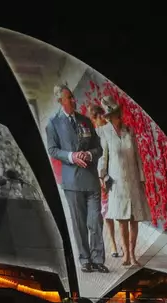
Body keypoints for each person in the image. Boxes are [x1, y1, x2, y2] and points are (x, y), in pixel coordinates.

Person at [46, 84, 108, 273]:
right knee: (79, 222)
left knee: (95, 220)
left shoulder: (85, 121)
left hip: (91, 179)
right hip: (72, 181)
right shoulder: (53, 123)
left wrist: (89, 155)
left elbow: (99, 148)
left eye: (73, 97)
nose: (74, 100)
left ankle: (98, 259)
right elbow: (53, 150)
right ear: (60, 101)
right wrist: (72, 156)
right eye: (69, 98)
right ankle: (85, 259)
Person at [97, 96, 151, 266]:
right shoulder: (104, 132)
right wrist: (102, 176)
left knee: (135, 219)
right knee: (122, 220)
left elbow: (138, 158)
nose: (119, 115)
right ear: (109, 116)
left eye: (118, 111)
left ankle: (133, 254)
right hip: (117, 183)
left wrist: (142, 178)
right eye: (115, 113)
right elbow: (103, 157)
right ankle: (126, 254)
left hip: (134, 180)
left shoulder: (129, 131)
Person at [87, 103, 120, 258]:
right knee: (107, 212)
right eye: (97, 117)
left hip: (116, 173)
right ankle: (113, 244)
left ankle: (121, 244)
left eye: (101, 116)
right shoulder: (96, 133)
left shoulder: (111, 130)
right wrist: (101, 176)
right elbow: (99, 158)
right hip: (103, 177)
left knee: (119, 210)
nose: (100, 119)